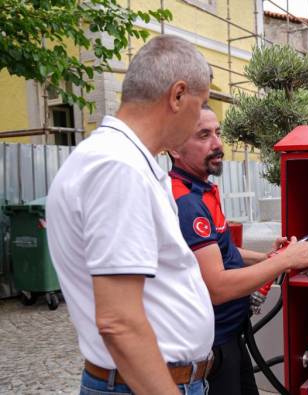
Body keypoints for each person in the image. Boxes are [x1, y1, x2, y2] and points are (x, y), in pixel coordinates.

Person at [46, 35, 215, 395]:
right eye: (201, 104)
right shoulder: (118, 167)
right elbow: (118, 322)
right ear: (178, 95)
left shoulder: (119, 159)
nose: (200, 117)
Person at [168, 107, 308, 395]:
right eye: (204, 135)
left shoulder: (201, 190)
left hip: (230, 337)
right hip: (214, 345)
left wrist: (264, 258)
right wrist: (285, 261)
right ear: (175, 148)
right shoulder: (187, 203)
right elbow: (217, 287)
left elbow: (220, 251)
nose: (217, 143)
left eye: (217, 132)